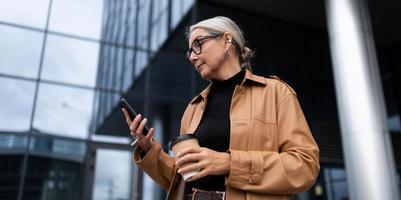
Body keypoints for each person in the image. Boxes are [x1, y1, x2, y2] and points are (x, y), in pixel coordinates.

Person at [122, 16, 320, 200]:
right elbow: (181, 178)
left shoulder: (276, 93)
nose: (192, 57)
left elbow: (305, 166)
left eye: (198, 44)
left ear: (227, 40)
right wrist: (148, 149)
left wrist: (230, 163)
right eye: (190, 51)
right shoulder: (193, 108)